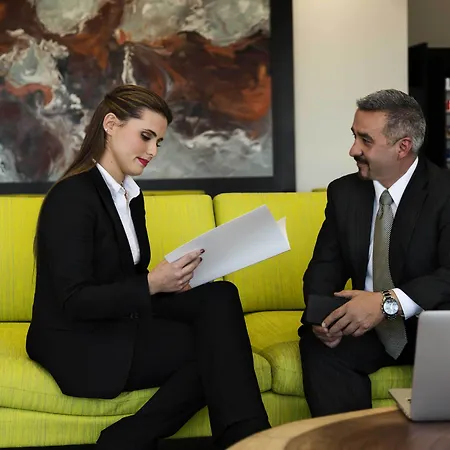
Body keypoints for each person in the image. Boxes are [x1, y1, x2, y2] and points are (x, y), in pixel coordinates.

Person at [26, 84, 270, 449]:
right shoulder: (71, 198)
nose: (153, 151)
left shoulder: (130, 195)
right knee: (220, 348)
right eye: (146, 136)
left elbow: (125, 277)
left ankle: (131, 438)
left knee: (220, 296)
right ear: (111, 125)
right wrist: (153, 284)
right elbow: (75, 301)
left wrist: (171, 279)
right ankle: (246, 440)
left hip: (119, 318)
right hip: (78, 340)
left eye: (158, 142)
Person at [299, 89, 450, 418]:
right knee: (317, 348)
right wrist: (321, 318)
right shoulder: (344, 192)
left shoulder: (444, 192)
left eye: (365, 140)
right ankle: (352, 441)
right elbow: (324, 267)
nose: (353, 149)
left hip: (433, 322)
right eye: (354, 136)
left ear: (403, 147)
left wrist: (386, 303)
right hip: (366, 326)